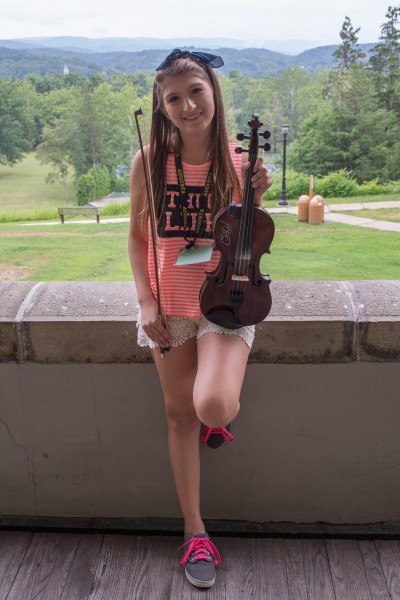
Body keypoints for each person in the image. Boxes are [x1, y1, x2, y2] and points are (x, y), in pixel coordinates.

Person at [128, 49, 273, 589]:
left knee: (210, 404)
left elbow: (249, 243)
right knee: (180, 418)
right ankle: (194, 531)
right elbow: (141, 237)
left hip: (224, 301)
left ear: (214, 92)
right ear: (161, 108)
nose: (187, 105)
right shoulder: (149, 162)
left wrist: (254, 199)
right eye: (173, 98)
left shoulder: (240, 162)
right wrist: (146, 303)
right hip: (170, 305)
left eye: (196, 92)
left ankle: (221, 414)